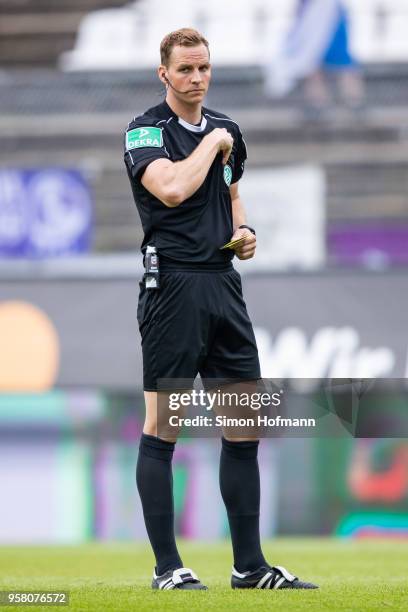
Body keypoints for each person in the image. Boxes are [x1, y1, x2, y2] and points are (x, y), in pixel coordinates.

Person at [124, 27, 318, 592]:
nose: (197, 78)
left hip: (222, 285)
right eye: (185, 69)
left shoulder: (229, 132)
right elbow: (174, 190)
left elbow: (231, 195)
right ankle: (167, 569)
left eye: (204, 67)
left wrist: (245, 232)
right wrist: (210, 141)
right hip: (173, 286)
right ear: (164, 73)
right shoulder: (144, 133)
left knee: (245, 426)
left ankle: (249, 567)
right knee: (165, 425)